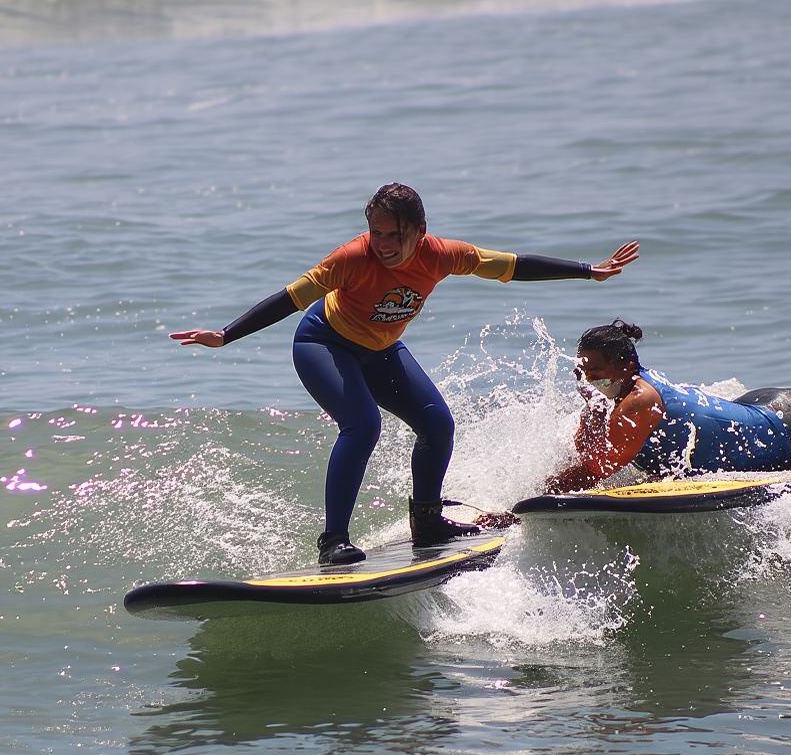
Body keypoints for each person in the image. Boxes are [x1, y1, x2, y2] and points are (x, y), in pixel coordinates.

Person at [171, 183, 639, 565]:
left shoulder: (443, 255)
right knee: (362, 426)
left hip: (381, 349)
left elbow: (511, 266)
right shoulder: (351, 258)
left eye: (394, 235)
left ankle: (428, 522)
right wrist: (226, 335)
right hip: (323, 343)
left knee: (437, 423)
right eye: (376, 232)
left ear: (420, 231)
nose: (384, 244)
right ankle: (333, 540)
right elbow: (290, 298)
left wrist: (587, 271)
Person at [545, 301, 791, 492]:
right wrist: (591, 407)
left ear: (624, 364)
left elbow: (595, 469)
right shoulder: (630, 387)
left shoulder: (638, 401)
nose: (588, 378)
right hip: (762, 407)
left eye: (595, 371)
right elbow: (591, 452)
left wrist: (522, 510)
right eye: (582, 370)